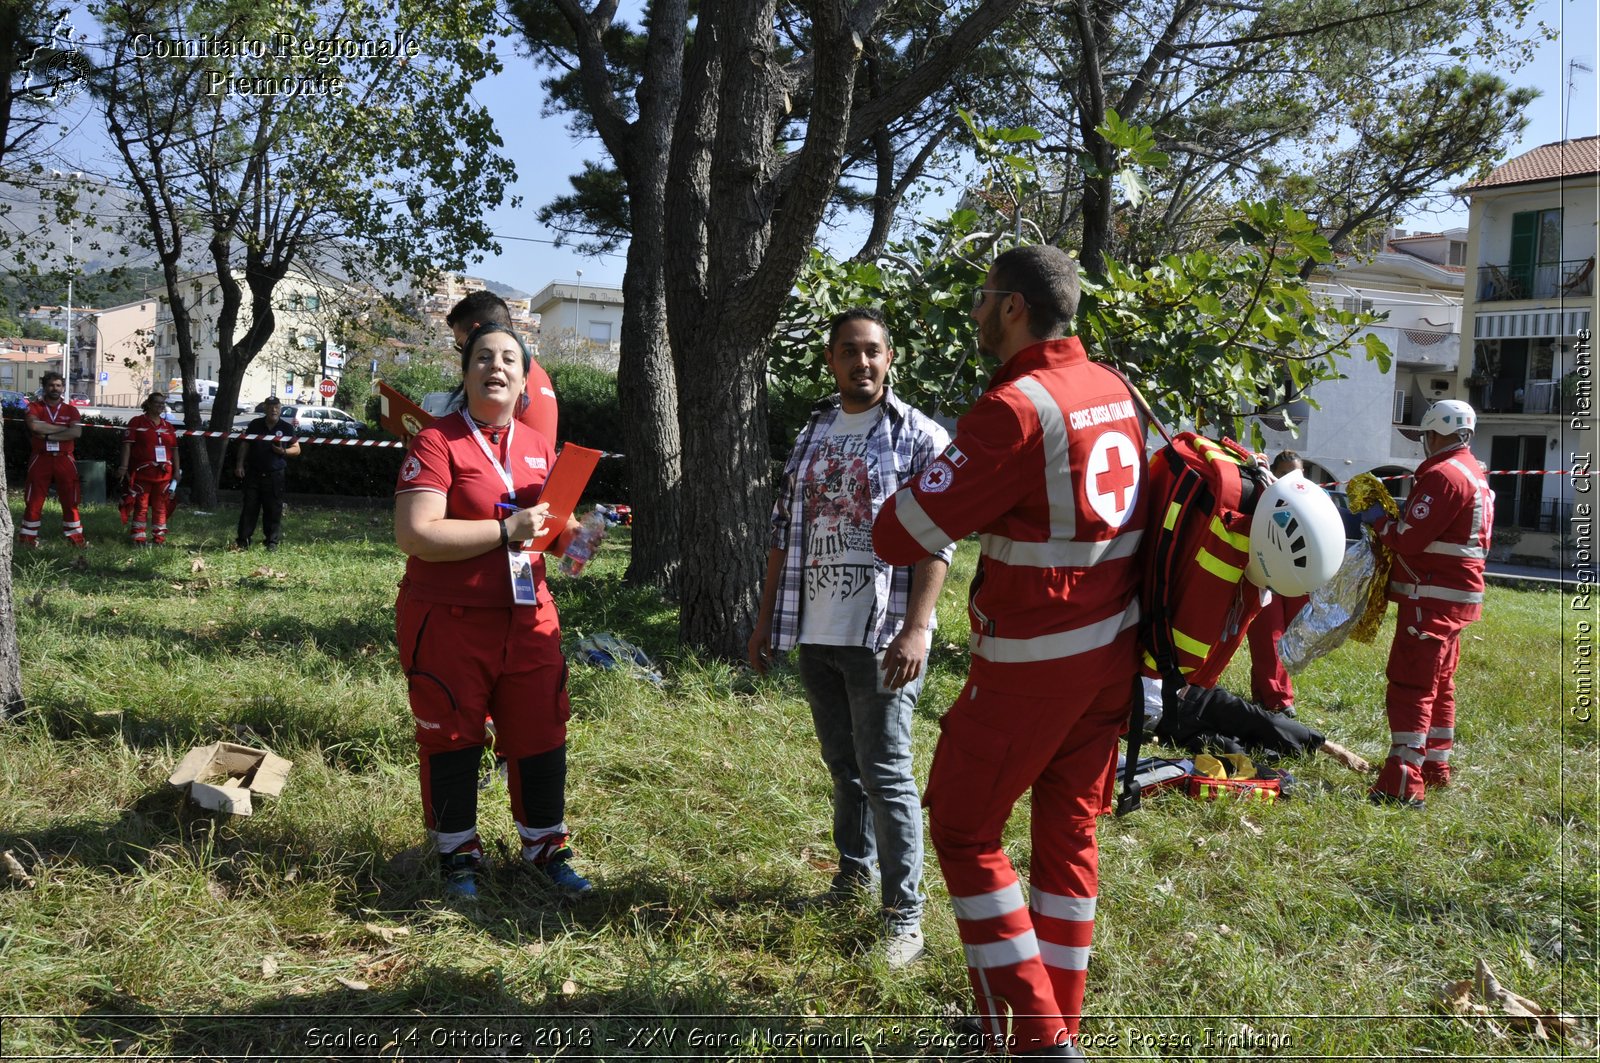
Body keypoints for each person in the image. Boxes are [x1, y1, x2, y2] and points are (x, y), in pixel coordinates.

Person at [874, 245, 1146, 1059]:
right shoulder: (1116, 388)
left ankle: (1032, 1042)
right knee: (1068, 832)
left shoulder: (1017, 408)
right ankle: (1056, 1022)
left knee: (962, 829)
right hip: (1111, 660)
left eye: (985, 295)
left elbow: (899, 532)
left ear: (1016, 308)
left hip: (1034, 664)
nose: (977, 308)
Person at [748, 307, 953, 969]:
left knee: (887, 773)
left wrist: (918, 627)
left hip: (884, 634)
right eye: (848, 352)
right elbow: (784, 533)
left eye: (872, 351)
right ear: (831, 360)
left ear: (889, 358)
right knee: (846, 769)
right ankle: (853, 878)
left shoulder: (920, 436)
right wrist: (764, 623)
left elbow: (937, 538)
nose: (861, 362)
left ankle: (905, 915)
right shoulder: (813, 432)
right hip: (818, 631)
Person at [393, 322, 590, 900]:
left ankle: (546, 848)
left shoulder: (539, 447)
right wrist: (505, 529)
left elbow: (551, 534)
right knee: (452, 733)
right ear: (466, 372)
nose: (495, 367)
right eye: (483, 357)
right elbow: (415, 533)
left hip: (530, 617)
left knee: (542, 727)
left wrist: (576, 541)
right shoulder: (437, 441)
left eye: (509, 358)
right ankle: (458, 856)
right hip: (449, 619)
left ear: (524, 379)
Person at [1360, 399, 1492, 807]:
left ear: (1433, 434)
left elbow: (1409, 539)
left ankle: (1402, 779)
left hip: (1429, 596)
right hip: (1453, 598)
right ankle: (1436, 768)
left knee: (1411, 683)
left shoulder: (1443, 476)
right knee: (1440, 685)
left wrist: (1378, 519)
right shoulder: (1474, 472)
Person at [1244, 450, 1310, 715]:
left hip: (1295, 577)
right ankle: (1280, 700)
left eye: (1297, 473)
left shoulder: (1311, 500)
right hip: (1266, 573)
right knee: (1269, 637)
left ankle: (1262, 693)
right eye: (1284, 473)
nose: (1291, 479)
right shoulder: (1262, 497)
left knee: (1284, 639)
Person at [446, 290, 557, 444]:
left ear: (475, 331)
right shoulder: (536, 371)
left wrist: (435, 445)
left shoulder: (502, 376)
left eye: (461, 346)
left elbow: (482, 443)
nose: (463, 354)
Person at [20, 371, 87, 548]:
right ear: (44, 387)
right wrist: (63, 428)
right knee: (34, 499)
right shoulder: (35, 407)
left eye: (58, 385)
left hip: (65, 459)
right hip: (41, 458)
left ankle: (75, 539)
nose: (55, 388)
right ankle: (27, 539)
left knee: (71, 499)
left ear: (63, 388)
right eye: (51, 385)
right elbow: (34, 425)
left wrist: (47, 434)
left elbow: (76, 432)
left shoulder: (71, 409)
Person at [232, 397, 300, 551]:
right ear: (265, 408)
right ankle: (243, 541)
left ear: (280, 408)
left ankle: (271, 542)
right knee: (249, 508)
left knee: (273, 509)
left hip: (275, 475)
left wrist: (283, 451)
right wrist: (239, 464)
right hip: (254, 474)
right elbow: (245, 444)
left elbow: (297, 449)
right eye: (270, 407)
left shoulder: (286, 427)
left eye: (276, 406)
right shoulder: (255, 425)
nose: (273, 410)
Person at [118, 392, 181, 546]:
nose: (160, 406)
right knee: (141, 505)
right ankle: (138, 538)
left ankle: (159, 539)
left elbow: (174, 450)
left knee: (161, 507)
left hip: (163, 475)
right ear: (149, 404)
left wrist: (177, 471)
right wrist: (123, 467)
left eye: (162, 403)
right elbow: (127, 445)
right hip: (142, 473)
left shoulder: (168, 426)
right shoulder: (137, 422)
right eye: (157, 403)